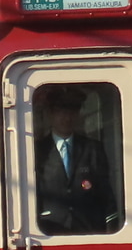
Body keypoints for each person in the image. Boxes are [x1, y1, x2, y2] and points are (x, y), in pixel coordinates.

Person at [35, 86, 114, 234]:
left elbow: (105, 192)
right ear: (51, 115)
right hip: (48, 230)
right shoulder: (38, 151)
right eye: (60, 112)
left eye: (72, 112)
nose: (67, 118)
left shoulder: (92, 148)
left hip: (88, 229)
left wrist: (110, 229)